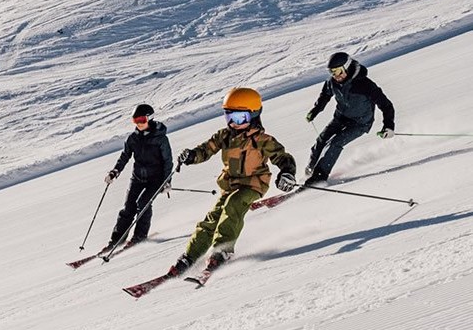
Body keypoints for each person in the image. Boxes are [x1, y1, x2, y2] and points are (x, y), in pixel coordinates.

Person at [170, 87, 296, 284]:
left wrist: (287, 172)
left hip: (254, 184)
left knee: (233, 206)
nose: (233, 124)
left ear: (253, 115)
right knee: (212, 219)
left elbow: (282, 157)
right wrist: (192, 155)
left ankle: (223, 251)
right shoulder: (224, 136)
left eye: (239, 118)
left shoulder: (261, 140)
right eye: (229, 117)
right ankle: (189, 256)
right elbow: (206, 149)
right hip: (231, 185)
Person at [304, 51, 395, 186]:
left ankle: (319, 177)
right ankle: (310, 172)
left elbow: (386, 105)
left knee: (335, 143)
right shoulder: (332, 82)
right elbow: (325, 95)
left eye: (339, 71)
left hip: (360, 123)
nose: (336, 76)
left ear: (347, 67)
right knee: (321, 141)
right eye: (332, 72)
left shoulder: (365, 85)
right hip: (340, 117)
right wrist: (315, 110)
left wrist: (389, 126)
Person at [103, 104, 173, 250]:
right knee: (128, 207)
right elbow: (125, 156)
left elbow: (168, 161)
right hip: (137, 179)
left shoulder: (161, 139)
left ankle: (140, 236)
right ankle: (116, 240)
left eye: (142, 119)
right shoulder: (133, 139)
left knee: (143, 204)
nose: (139, 123)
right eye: (135, 120)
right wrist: (115, 171)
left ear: (150, 118)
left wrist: (167, 181)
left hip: (155, 180)